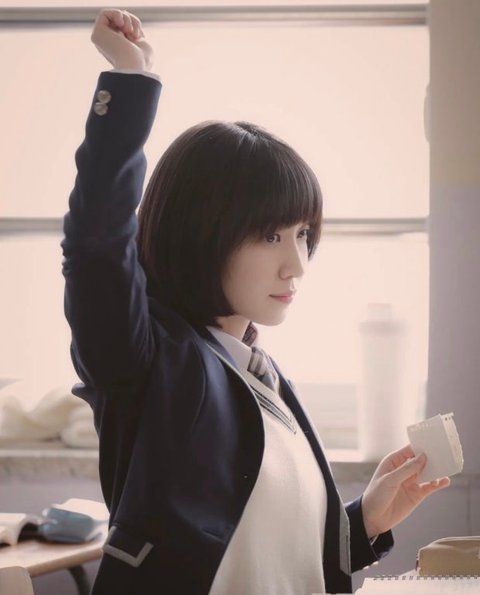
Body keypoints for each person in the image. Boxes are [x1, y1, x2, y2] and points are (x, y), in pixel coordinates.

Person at [61, 8, 450, 595]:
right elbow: (95, 244)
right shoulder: (149, 363)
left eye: (303, 235)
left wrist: (364, 521)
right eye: (270, 236)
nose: (297, 264)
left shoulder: (263, 377)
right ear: (202, 233)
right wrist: (130, 80)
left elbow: (268, 556)